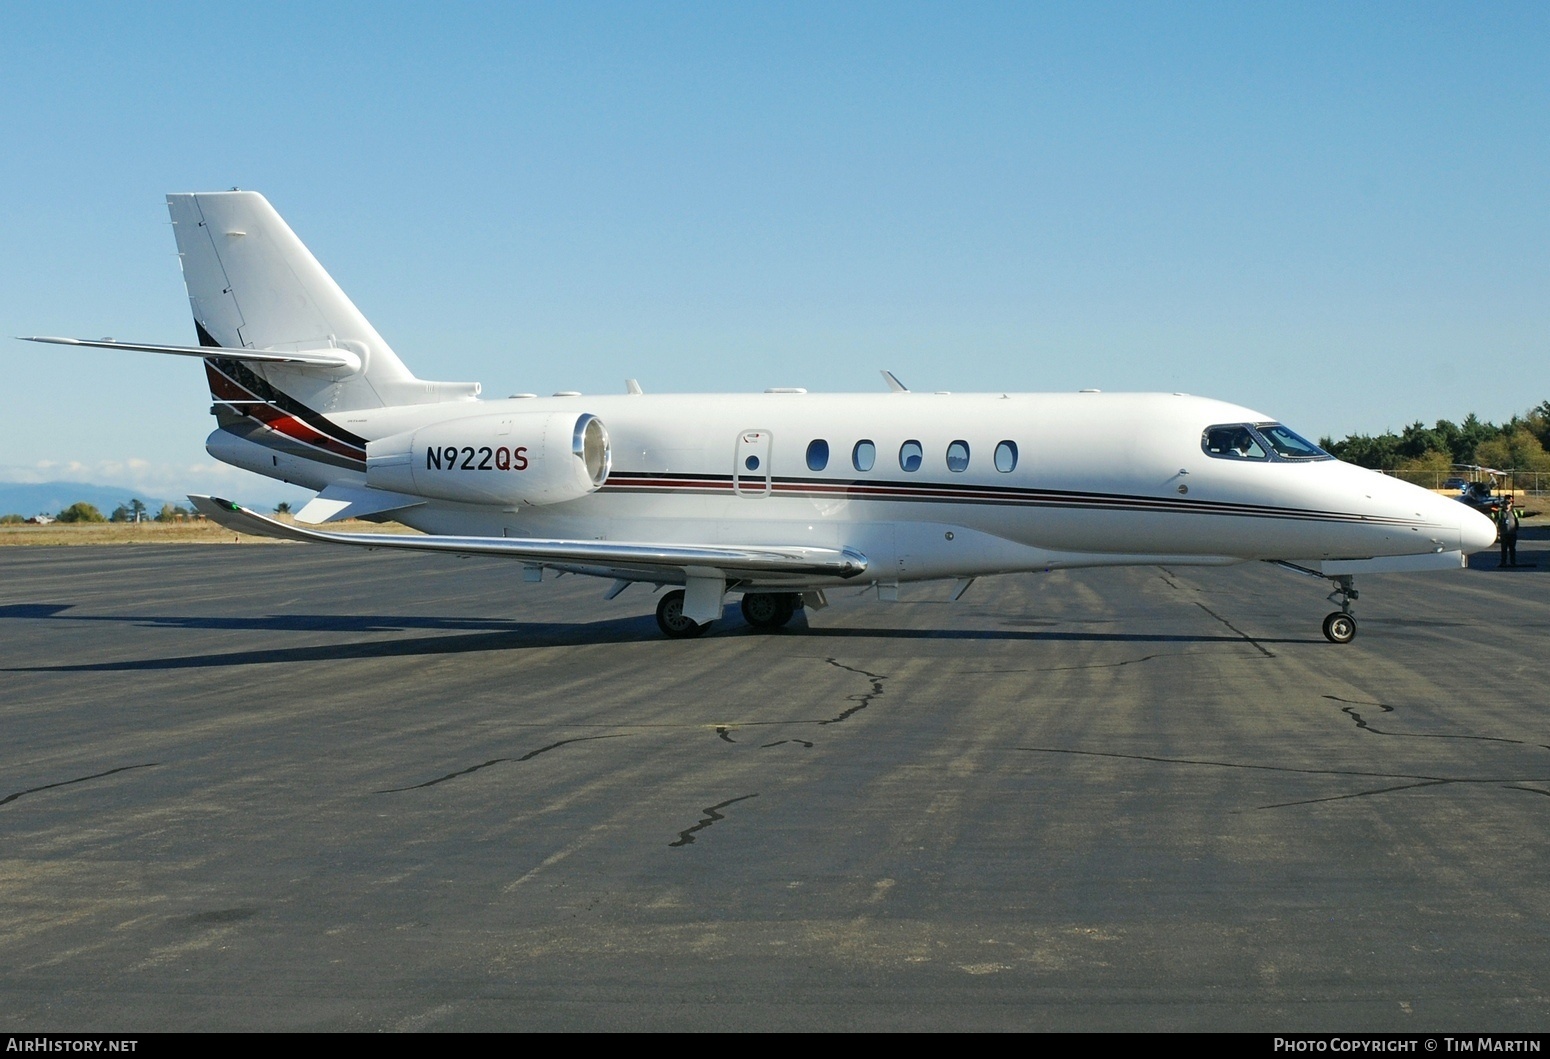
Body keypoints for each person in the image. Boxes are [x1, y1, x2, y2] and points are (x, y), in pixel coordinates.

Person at [1497, 498, 1520, 567]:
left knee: (1512, 549)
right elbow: (1496, 521)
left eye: (1508, 504)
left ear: (1511, 504)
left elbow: (1523, 515)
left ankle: (1513, 562)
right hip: (1504, 534)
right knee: (1504, 549)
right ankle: (1503, 562)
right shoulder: (1500, 513)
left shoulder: (1514, 512)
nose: (1507, 505)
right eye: (1505, 504)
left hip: (1512, 534)